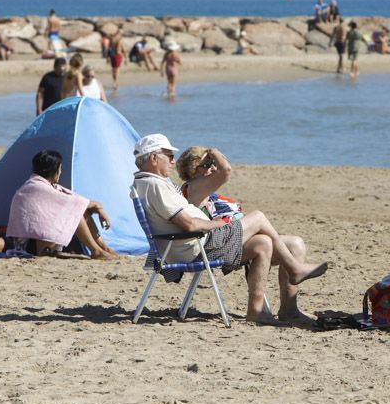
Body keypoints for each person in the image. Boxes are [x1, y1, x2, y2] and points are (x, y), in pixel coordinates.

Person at [131, 134, 328, 324]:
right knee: (258, 217)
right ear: (154, 158)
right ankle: (294, 269)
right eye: (170, 156)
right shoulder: (155, 185)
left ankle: (259, 311)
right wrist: (220, 224)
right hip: (197, 246)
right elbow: (189, 224)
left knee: (263, 243)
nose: (173, 162)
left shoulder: (149, 183)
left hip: (193, 244)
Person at [175, 145, 318, 323]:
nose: (214, 167)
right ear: (193, 171)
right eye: (208, 164)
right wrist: (215, 151)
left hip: (227, 242)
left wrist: (210, 158)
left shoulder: (207, 194)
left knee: (295, 243)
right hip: (211, 246)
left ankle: (289, 309)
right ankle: (294, 269)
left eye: (213, 163)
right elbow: (226, 170)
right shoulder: (193, 188)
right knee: (258, 219)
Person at [0, 150, 119, 259]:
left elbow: (80, 201)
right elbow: (77, 203)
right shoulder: (39, 188)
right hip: (32, 244)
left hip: (19, 239)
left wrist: (98, 208)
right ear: (54, 171)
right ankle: (96, 250)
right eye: (60, 169)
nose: (61, 173)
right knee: (76, 210)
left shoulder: (35, 185)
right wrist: (98, 208)